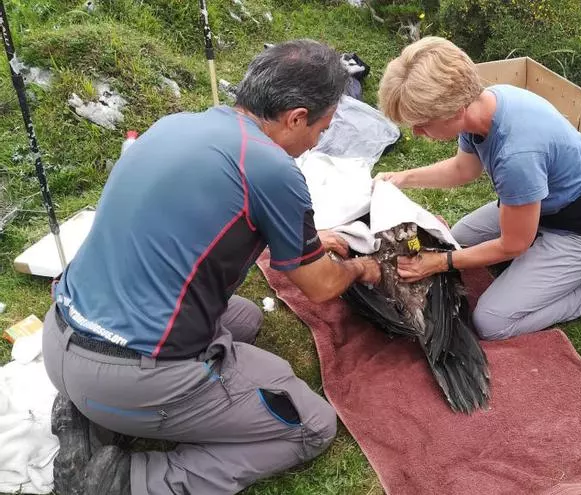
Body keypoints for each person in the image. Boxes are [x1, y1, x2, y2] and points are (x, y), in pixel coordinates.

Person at [42, 40, 380, 495]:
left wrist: (306, 239)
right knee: (311, 425)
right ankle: (120, 480)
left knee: (245, 318)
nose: (318, 140)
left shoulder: (175, 125)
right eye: (322, 127)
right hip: (131, 374)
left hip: (61, 337)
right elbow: (320, 285)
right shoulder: (274, 169)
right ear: (297, 117)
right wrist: (361, 269)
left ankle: (88, 416)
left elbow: (193, 221)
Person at [375, 37, 581, 342]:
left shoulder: (516, 155)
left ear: (456, 110)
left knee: (492, 321)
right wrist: (402, 178)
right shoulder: (484, 106)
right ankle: (538, 256)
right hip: (544, 207)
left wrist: (439, 263)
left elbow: (514, 244)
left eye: (422, 123)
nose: (416, 132)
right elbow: (464, 169)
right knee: (456, 240)